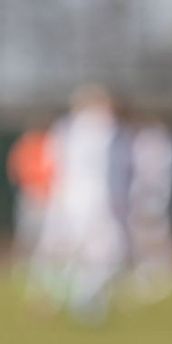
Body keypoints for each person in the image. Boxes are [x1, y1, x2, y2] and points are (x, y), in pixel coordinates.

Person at [31, 85, 133, 323]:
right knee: (108, 252)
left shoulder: (64, 128)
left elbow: (52, 163)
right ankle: (80, 298)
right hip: (92, 200)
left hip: (67, 198)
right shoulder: (102, 127)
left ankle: (63, 296)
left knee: (68, 253)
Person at [127, 114, 172, 301]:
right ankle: (143, 275)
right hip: (138, 198)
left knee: (157, 239)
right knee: (140, 240)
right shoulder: (138, 146)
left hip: (154, 198)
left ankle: (163, 275)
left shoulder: (164, 149)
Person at [6, 120, 55, 271]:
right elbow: (15, 172)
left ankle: (42, 266)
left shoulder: (51, 144)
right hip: (32, 194)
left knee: (48, 236)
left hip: (50, 197)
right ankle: (22, 265)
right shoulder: (25, 146)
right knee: (28, 234)